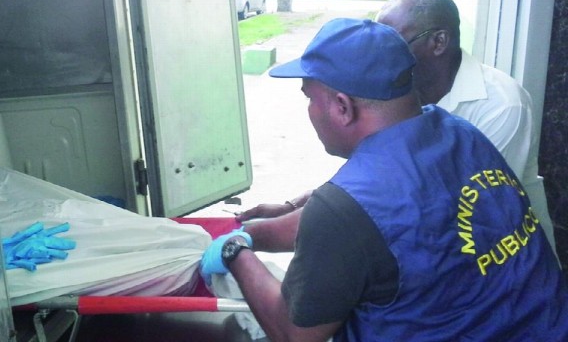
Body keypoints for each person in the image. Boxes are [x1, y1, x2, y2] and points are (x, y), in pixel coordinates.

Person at [200, 18, 568, 341]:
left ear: (342, 107)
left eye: (310, 98)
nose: (309, 111)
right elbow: (358, 228)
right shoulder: (460, 134)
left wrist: (235, 253)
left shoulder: (348, 207)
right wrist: (255, 233)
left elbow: (295, 332)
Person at [237, 0, 559, 260]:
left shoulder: (501, 105)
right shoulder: (400, 94)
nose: (380, 48)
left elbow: (423, 207)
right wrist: (295, 206)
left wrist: (249, 242)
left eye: (393, 38)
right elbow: (377, 176)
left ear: (438, 43)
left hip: (498, 273)